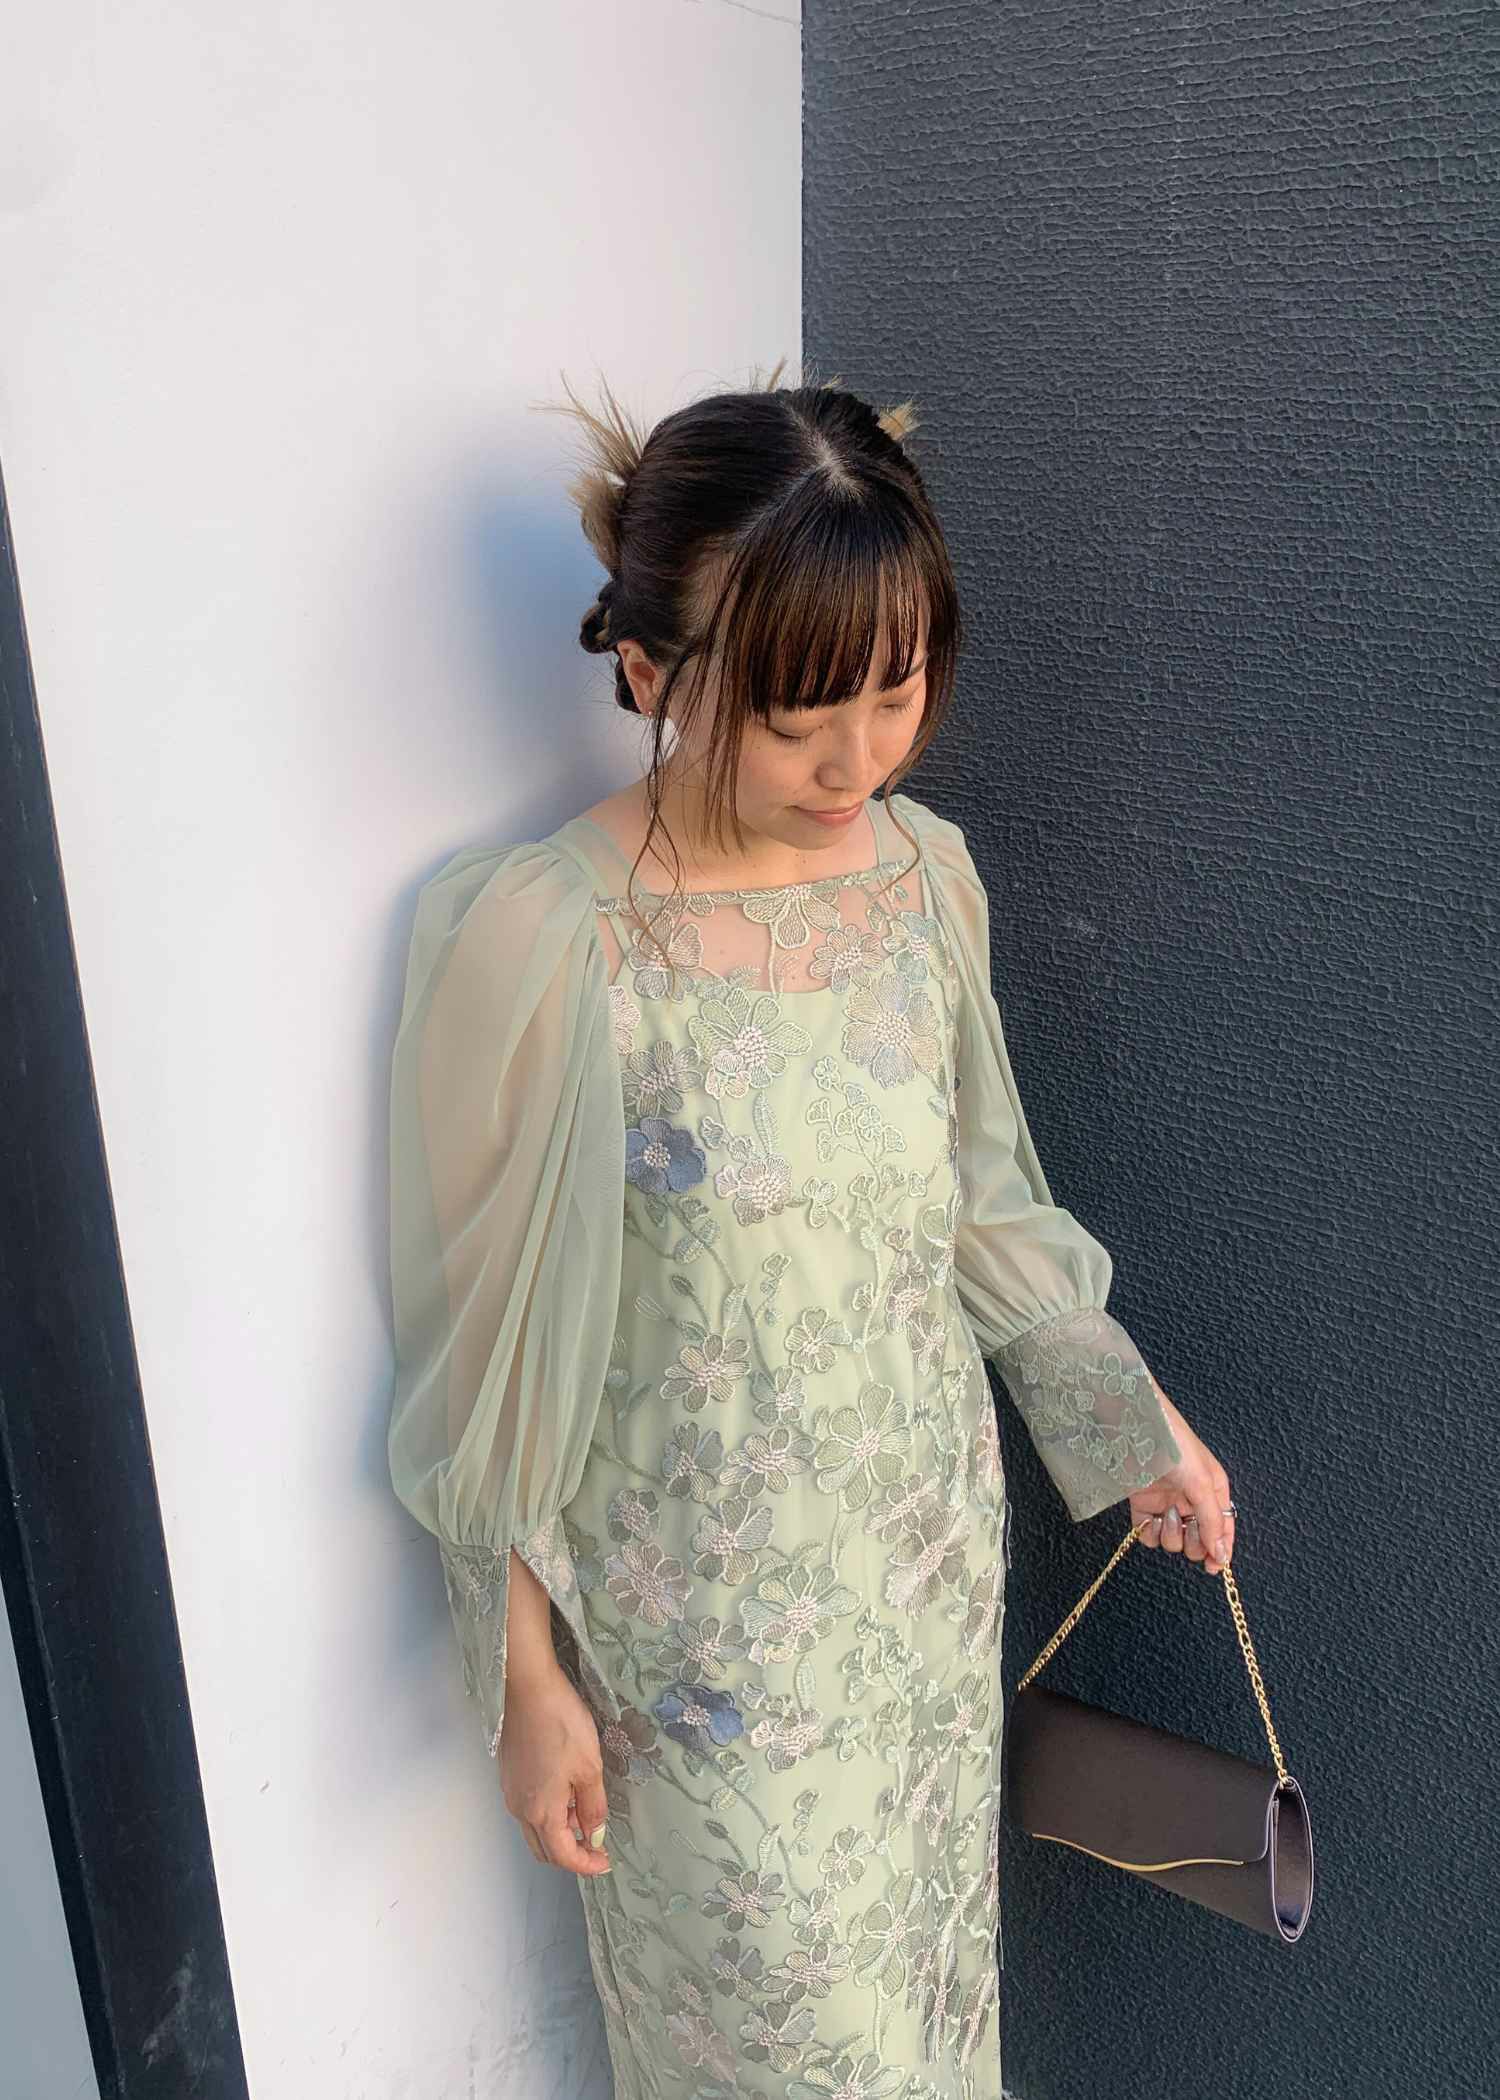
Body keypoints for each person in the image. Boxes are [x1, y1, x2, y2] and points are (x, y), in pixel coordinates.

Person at [385, 361, 1237, 2099]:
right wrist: (524, 1675)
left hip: (918, 1590)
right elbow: (485, 1347)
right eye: (799, 719)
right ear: (652, 674)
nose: (861, 760)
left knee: (925, 2020)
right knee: (788, 2050)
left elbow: (979, 1197)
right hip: (701, 1652)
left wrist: (1124, 1418)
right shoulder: (546, 939)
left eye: (898, 691)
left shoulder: (923, 881)